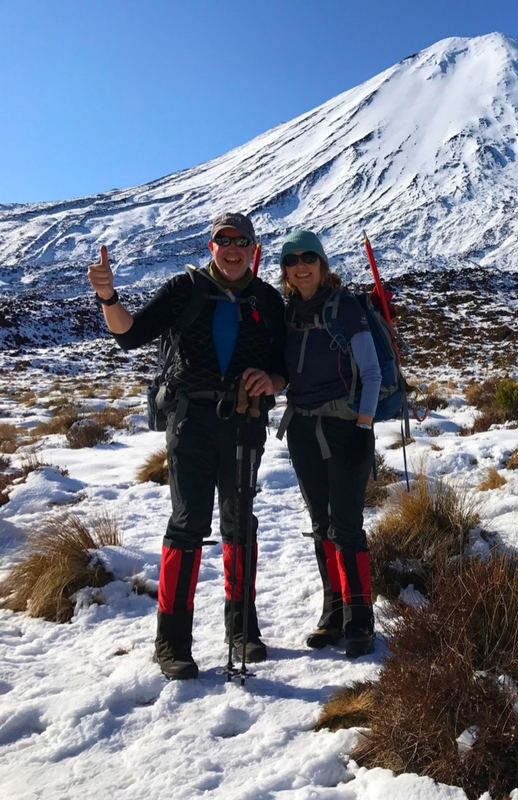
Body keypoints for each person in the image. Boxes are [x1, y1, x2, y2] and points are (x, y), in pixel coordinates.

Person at [87, 212, 288, 680]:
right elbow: (129, 334)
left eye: (242, 241)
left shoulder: (267, 300)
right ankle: (172, 641)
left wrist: (271, 379)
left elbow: (285, 368)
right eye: (224, 241)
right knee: (187, 523)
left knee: (240, 522)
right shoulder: (185, 289)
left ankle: (243, 629)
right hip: (191, 422)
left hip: (244, 421)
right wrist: (107, 296)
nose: (233, 249)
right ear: (210, 246)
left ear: (253, 248)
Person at [277, 230, 381, 658]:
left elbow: (372, 373)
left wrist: (362, 429)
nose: (301, 266)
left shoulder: (346, 307)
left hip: (345, 427)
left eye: (309, 258)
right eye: (292, 260)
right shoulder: (287, 313)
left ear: (323, 264)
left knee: (347, 525)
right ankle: (332, 612)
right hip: (302, 429)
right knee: (321, 523)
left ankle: (360, 618)